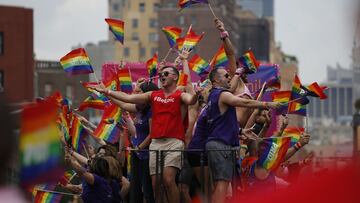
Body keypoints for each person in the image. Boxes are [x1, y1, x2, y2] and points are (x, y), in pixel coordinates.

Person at [92, 57, 197, 203]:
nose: (161, 77)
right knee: (155, 185)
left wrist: (196, 95)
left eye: (166, 74)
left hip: (174, 142)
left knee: (168, 179)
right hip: (156, 144)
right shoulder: (153, 95)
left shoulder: (179, 95)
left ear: (175, 77)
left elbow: (191, 99)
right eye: (160, 75)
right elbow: (128, 99)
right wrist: (108, 91)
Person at [206, 67, 281, 203]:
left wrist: (241, 131)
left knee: (219, 184)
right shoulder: (221, 94)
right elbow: (244, 102)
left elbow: (221, 124)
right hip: (221, 145)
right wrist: (267, 104)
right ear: (216, 80)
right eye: (226, 75)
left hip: (218, 144)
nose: (230, 78)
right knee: (222, 185)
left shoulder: (212, 95)